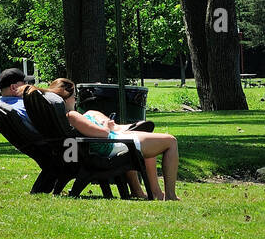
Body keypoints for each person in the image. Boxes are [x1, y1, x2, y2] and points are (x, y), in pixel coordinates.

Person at [41, 78, 180, 201]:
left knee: (151, 145)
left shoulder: (66, 116)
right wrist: (106, 126)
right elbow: (103, 134)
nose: (76, 100)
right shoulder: (72, 116)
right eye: (74, 97)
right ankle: (170, 195)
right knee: (171, 141)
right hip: (113, 145)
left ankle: (143, 191)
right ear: (67, 97)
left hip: (111, 143)